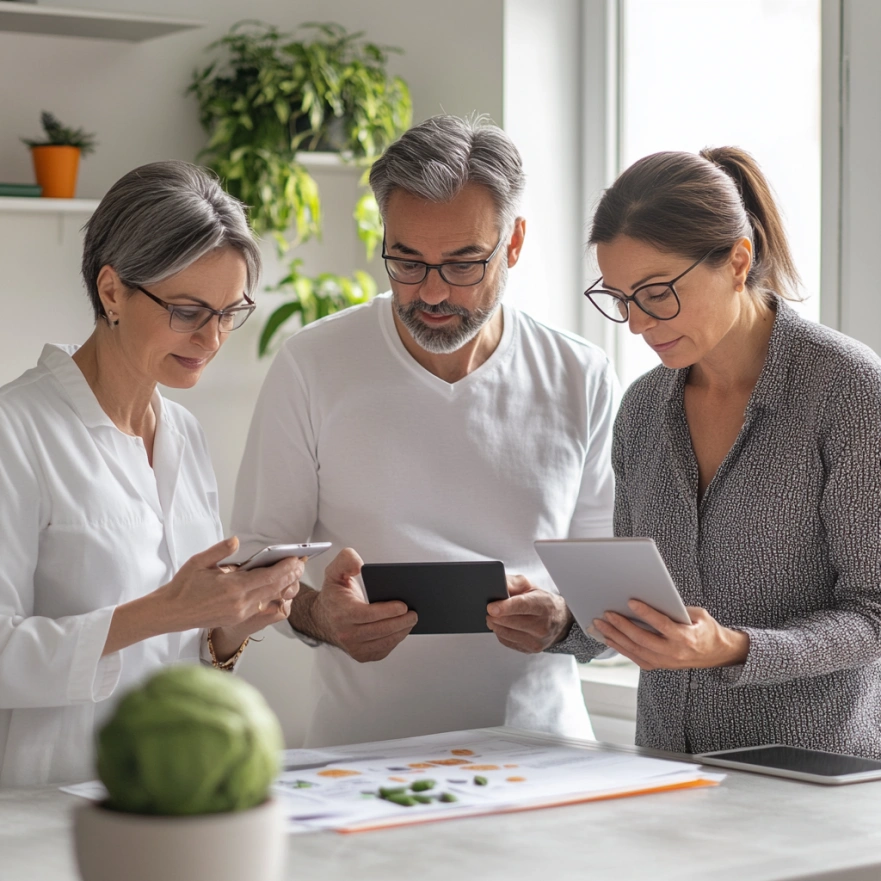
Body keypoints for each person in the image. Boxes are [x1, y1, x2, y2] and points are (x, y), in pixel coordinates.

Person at [231, 115, 618, 747]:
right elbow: (256, 562)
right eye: (407, 262)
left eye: (464, 264)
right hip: (360, 759)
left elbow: (608, 584)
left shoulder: (581, 373)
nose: (432, 292)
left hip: (546, 757)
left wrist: (565, 618)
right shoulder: (314, 363)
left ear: (513, 243)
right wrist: (321, 617)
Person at [528, 146, 881, 758]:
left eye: (656, 292)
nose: (637, 324)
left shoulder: (848, 393)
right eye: (619, 298)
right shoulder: (642, 409)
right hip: (665, 770)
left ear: (738, 261)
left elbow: (874, 615)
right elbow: (637, 607)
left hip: (812, 779)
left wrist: (734, 647)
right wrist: (560, 621)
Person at [0, 161, 303, 786]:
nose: (213, 338)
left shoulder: (184, 434)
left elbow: (180, 654)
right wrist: (164, 611)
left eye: (229, 311)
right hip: (49, 798)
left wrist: (227, 625)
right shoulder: (16, 431)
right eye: (189, 310)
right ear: (112, 291)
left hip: (176, 785)